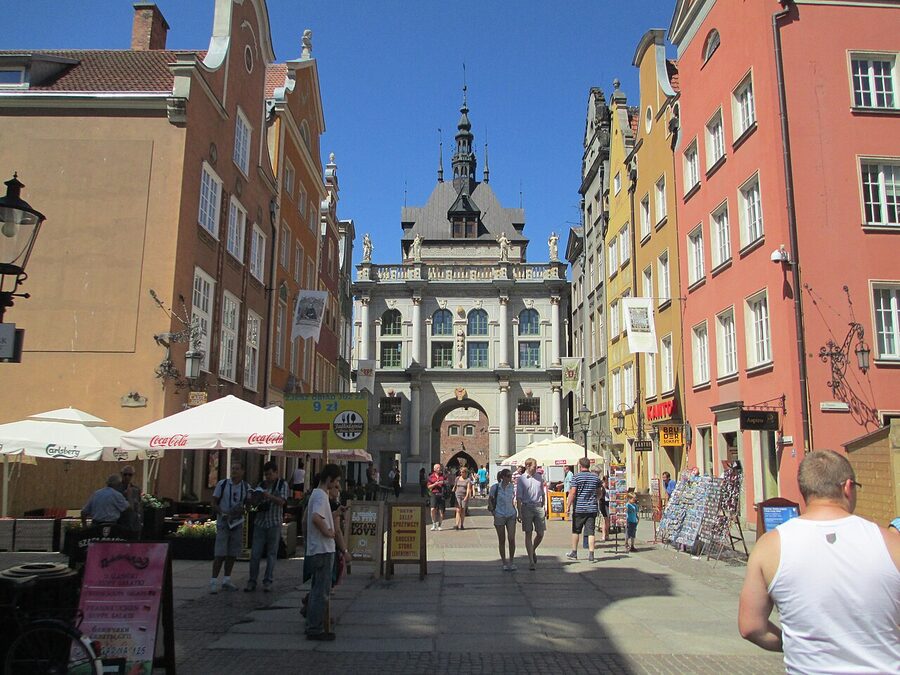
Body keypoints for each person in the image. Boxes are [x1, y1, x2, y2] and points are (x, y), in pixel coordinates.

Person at [738, 449, 900, 673]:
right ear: (847, 487)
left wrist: (796, 645)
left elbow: (751, 627)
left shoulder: (770, 547)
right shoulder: (891, 543)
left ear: (805, 491)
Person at [305, 464, 349, 641]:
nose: (337, 484)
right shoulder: (321, 496)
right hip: (323, 550)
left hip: (318, 549)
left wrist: (336, 513)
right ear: (329, 479)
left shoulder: (317, 495)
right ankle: (315, 628)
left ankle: (314, 624)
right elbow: (316, 518)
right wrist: (329, 532)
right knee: (321, 592)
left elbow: (320, 516)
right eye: (336, 481)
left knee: (318, 590)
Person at [245, 461, 289, 593]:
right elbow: (255, 503)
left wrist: (268, 496)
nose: (268, 477)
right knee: (255, 554)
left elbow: (282, 502)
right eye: (266, 475)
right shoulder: (261, 485)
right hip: (260, 522)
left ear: (276, 473)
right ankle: (252, 581)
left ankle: (267, 581)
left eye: (270, 474)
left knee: (271, 553)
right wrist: (253, 498)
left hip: (274, 522)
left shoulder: (282, 484)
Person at [210, 462, 249, 594]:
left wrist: (244, 510)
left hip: (237, 523)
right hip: (223, 522)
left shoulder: (245, 487)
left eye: (237, 469)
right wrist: (222, 512)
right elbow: (213, 502)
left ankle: (227, 579)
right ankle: (214, 580)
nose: (234, 471)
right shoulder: (223, 484)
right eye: (233, 469)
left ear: (242, 471)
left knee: (232, 552)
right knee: (220, 552)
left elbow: (248, 504)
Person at [565, 457, 602, 562]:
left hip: (579, 508)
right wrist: (596, 499)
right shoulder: (595, 478)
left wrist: (568, 506)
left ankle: (574, 552)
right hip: (592, 508)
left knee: (576, 531)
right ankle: (591, 553)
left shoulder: (576, 477)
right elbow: (600, 492)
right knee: (591, 532)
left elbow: (572, 493)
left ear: (580, 466)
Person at [516, 458, 546, 570]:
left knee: (540, 533)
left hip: (538, 507)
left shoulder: (539, 477)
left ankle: (532, 549)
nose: (536, 467)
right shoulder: (521, 479)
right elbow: (518, 497)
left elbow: (542, 492)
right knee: (528, 533)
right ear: (528, 466)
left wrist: (544, 504)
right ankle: (531, 561)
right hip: (527, 507)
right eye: (534, 466)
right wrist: (519, 512)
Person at [489, 469, 517, 571]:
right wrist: (494, 513)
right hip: (499, 515)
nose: (511, 478)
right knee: (502, 540)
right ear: (504, 477)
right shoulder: (495, 488)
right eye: (509, 476)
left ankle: (512, 561)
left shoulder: (512, 487)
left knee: (511, 538)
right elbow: (490, 501)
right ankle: (504, 562)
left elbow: (514, 499)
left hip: (511, 514)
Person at [116, 465, 143, 539]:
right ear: (121, 474)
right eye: (125, 474)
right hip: (120, 522)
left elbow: (139, 505)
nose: (127, 477)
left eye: (130, 475)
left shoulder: (136, 489)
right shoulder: (116, 488)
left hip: (134, 522)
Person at [426, 463, 447, 531]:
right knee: (432, 509)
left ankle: (440, 525)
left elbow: (447, 482)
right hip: (434, 494)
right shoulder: (431, 477)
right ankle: (434, 523)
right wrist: (435, 484)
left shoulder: (443, 476)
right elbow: (428, 487)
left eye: (440, 467)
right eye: (437, 468)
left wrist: (443, 482)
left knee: (441, 511)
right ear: (434, 469)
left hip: (441, 494)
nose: (439, 469)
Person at [598, 474, 610, 542]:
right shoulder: (602, 487)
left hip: (608, 504)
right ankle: (604, 535)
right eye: (607, 481)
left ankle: (607, 535)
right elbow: (600, 496)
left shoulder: (610, 487)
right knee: (604, 520)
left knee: (607, 520)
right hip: (603, 504)